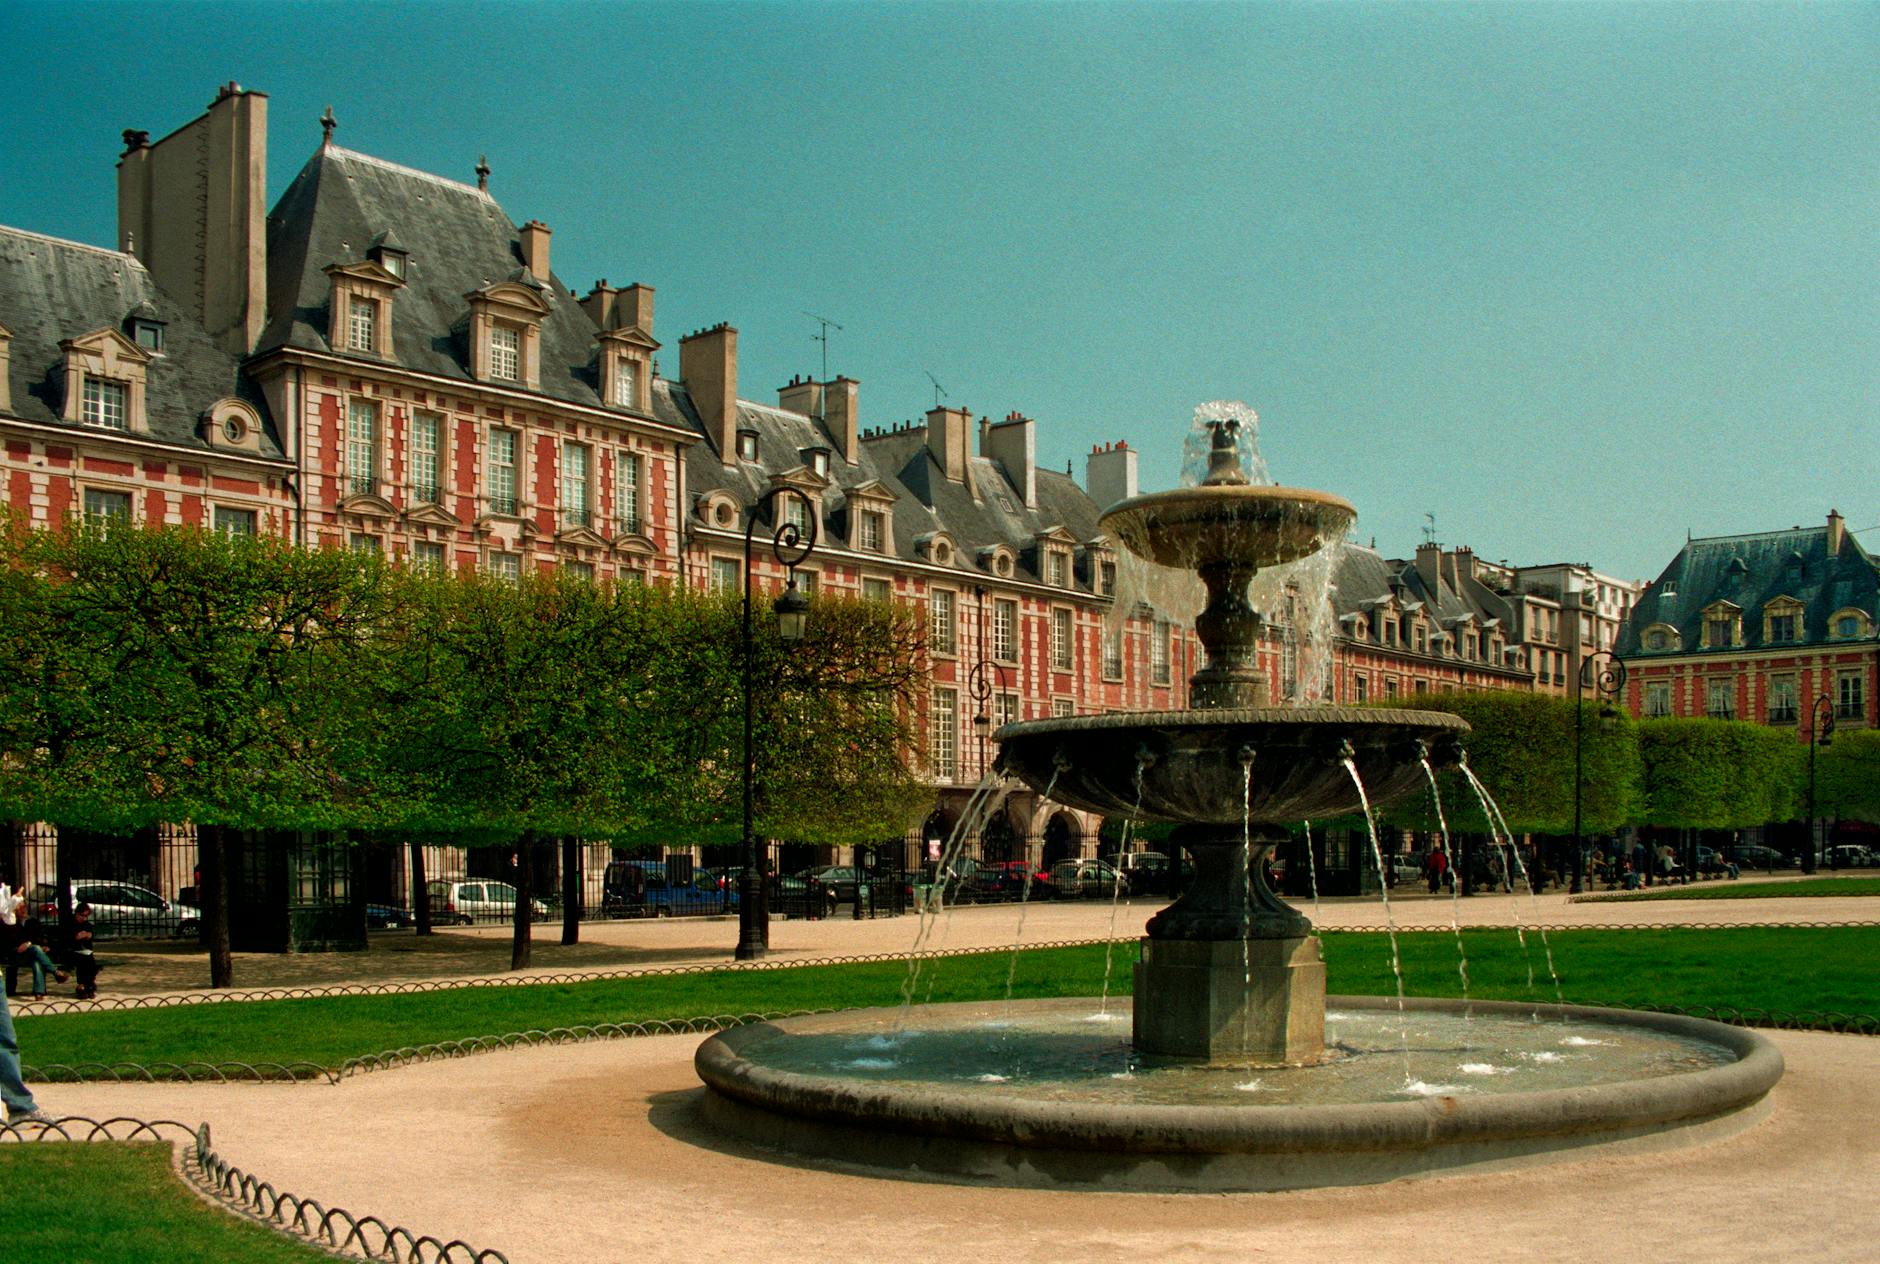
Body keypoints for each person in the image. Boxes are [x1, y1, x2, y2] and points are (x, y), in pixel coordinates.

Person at [7, 906, 68, 1000]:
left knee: (37, 960)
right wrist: (21, 946)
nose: (23, 910)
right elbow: (9, 941)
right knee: (36, 950)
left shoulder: (33, 922)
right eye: (20, 908)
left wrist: (42, 946)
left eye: (24, 908)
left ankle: (38, 993)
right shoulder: (11, 923)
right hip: (16, 954)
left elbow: (39, 937)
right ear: (14, 910)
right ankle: (55, 972)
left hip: (32, 952)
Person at [70, 903, 99, 1001]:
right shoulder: (70, 924)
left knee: (88, 958)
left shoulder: (87, 925)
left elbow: (91, 935)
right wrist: (77, 937)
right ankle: (87, 985)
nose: (84, 918)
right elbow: (67, 939)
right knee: (85, 958)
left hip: (85, 952)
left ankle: (84, 985)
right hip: (71, 951)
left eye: (86, 916)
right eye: (82, 915)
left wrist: (88, 935)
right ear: (77, 914)